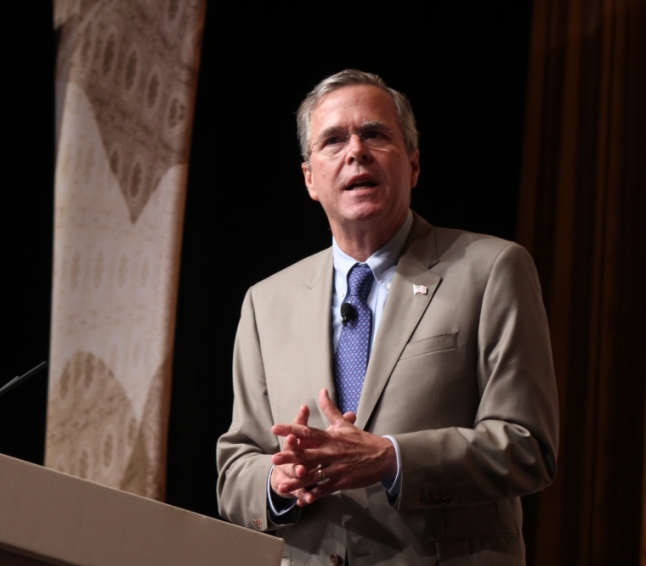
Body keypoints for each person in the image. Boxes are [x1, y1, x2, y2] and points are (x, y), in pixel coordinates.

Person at [216, 70, 559, 566]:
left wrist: (390, 458)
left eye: (375, 134)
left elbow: (529, 446)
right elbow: (235, 470)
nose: (356, 151)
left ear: (414, 165)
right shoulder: (266, 303)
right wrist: (277, 481)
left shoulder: (491, 270)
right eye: (333, 140)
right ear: (310, 178)